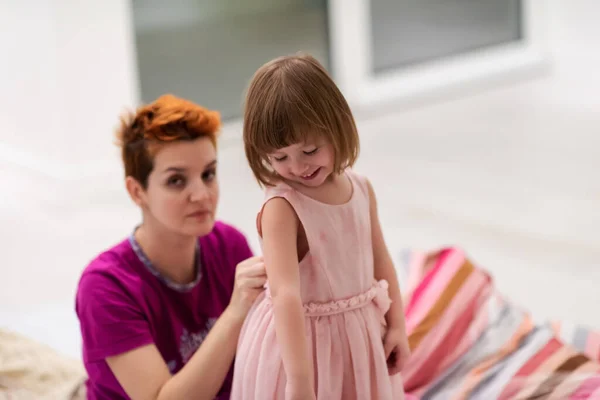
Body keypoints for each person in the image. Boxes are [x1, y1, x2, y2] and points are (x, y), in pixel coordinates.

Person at [232, 54, 410, 399]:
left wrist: (398, 325)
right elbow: (285, 295)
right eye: (279, 158)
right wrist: (299, 381)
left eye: (309, 150)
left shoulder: (360, 188)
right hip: (301, 347)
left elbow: (381, 262)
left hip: (359, 336)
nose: (297, 167)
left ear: (337, 127)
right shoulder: (282, 208)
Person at [75, 94, 267, 400]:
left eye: (208, 174)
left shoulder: (229, 245)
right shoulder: (104, 287)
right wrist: (236, 311)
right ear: (137, 191)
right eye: (177, 181)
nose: (201, 194)